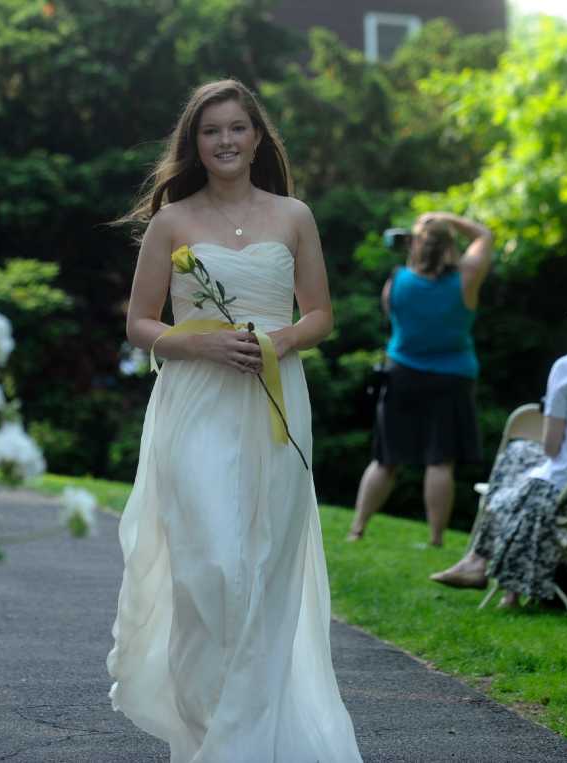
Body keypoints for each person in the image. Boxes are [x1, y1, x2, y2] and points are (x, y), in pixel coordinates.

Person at [107, 79, 361, 762]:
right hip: (196, 403)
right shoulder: (171, 222)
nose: (224, 140)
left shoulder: (294, 216)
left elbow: (321, 314)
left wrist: (277, 342)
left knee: (264, 565)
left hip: (276, 400)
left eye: (236, 128)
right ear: (194, 142)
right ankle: (202, 720)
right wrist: (202, 341)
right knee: (212, 564)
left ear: (256, 138)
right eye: (210, 130)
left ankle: (248, 737)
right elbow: (139, 323)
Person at [348, 211, 493, 546]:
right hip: (452, 378)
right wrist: (444, 218)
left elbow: (391, 314)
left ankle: (357, 529)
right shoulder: (466, 278)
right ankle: (436, 538)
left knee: (385, 460)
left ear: (415, 245)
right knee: (440, 461)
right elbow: (484, 236)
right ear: (450, 247)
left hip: (402, 375)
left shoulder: (396, 282)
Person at [431, 354, 567, 608]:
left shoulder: (566, 368)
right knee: (521, 453)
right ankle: (483, 567)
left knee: (516, 482)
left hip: (562, 489)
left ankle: (482, 565)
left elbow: (551, 447)